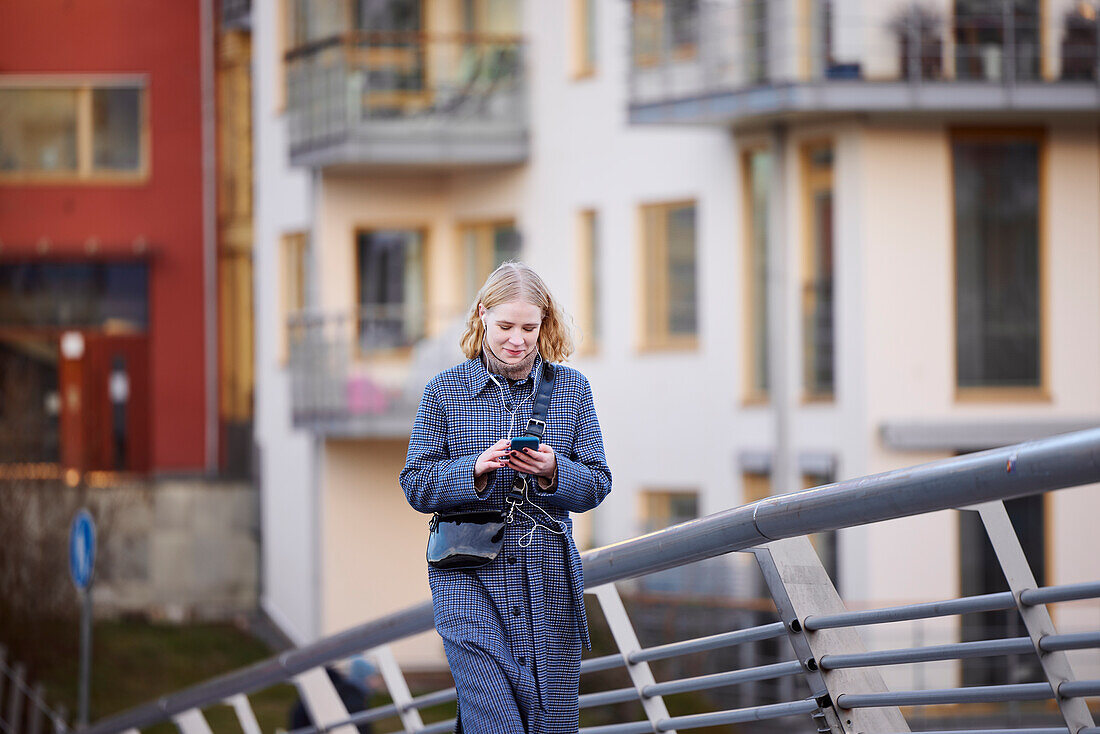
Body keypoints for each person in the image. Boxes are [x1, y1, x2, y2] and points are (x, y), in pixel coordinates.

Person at [399, 262, 612, 733]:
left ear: (545, 324)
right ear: (481, 316)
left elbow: (598, 482)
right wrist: (472, 470)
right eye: (505, 326)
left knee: (549, 724)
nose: (517, 339)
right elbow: (415, 483)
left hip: (548, 581)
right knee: (495, 723)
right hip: (467, 582)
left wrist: (554, 471)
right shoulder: (444, 391)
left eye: (530, 328)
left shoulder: (571, 390)